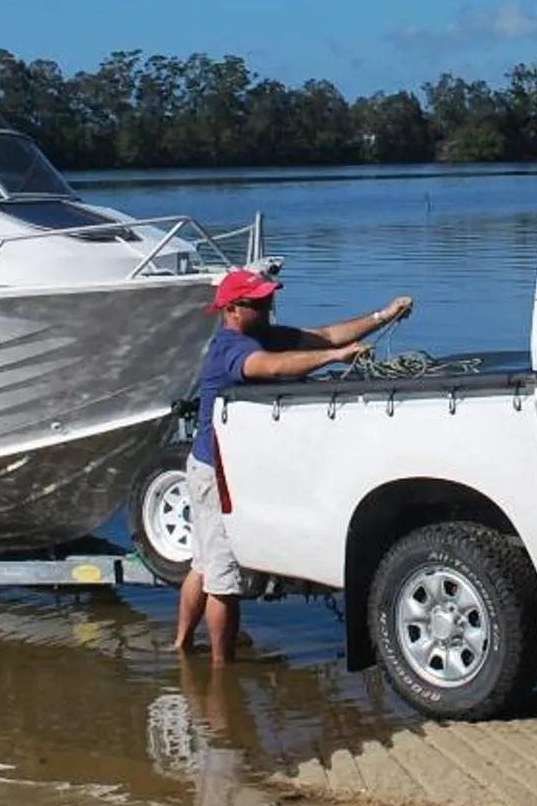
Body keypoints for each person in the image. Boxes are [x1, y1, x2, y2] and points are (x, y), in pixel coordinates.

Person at [170, 269, 412, 661]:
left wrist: (383, 316)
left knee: (203, 565)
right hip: (217, 475)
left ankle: (181, 648)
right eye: (259, 303)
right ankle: (221, 668)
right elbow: (271, 367)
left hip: (208, 467)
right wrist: (332, 359)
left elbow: (329, 334)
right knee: (224, 581)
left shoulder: (263, 332)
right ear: (232, 309)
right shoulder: (230, 347)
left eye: (269, 301)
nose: (268, 308)